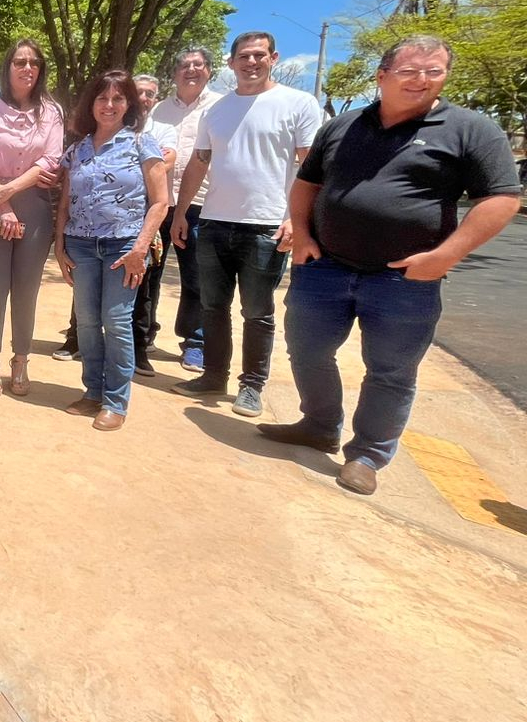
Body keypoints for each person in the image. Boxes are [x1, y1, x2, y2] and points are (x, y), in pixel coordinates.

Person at [262, 36, 520, 496]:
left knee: (391, 371)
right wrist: (301, 234)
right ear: (382, 76)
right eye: (409, 71)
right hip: (325, 267)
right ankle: (319, 424)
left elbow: (500, 199)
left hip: (404, 279)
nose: (422, 79)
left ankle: (367, 455)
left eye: (434, 71)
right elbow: (307, 185)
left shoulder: (469, 129)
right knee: (306, 350)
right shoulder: (343, 126)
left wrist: (446, 255)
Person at [170, 31, 322, 417]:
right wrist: (180, 213)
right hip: (215, 222)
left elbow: (312, 166)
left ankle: (251, 386)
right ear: (231, 62)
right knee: (213, 304)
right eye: (243, 56)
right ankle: (213, 375)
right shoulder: (216, 111)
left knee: (257, 311)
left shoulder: (298, 104)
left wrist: (296, 220)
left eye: (259, 55)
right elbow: (199, 162)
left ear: (274, 57)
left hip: (266, 225)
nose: (251, 62)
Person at [54, 71, 169, 432]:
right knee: (87, 321)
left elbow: (161, 202)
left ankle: (116, 401)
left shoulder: (141, 143)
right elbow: (64, 203)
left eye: (118, 99)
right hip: (81, 245)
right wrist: (59, 245)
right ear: (92, 104)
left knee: (116, 322)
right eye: (102, 98)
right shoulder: (77, 149)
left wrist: (141, 248)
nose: (109, 105)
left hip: (124, 247)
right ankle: (93, 391)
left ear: (129, 105)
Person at [0, 39, 64, 396]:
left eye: (33, 63)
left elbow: (51, 160)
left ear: (40, 70)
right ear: (7, 68)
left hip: (35, 205)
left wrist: (11, 191)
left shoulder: (52, 112)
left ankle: (20, 358)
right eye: (19, 62)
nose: (26, 68)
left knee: (27, 287)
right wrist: (3, 203)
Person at [150, 47, 220, 372]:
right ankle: (144, 333)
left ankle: (195, 342)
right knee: (148, 272)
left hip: (201, 205)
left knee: (197, 277)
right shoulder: (158, 111)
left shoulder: (221, 108)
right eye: (184, 64)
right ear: (174, 72)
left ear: (209, 70)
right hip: (156, 204)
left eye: (198, 64)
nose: (190, 70)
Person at [129, 74, 179, 377]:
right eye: (139, 92)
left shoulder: (164, 129)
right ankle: (77, 338)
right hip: (110, 215)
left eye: (150, 93)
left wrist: (123, 166)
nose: (144, 98)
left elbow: (166, 162)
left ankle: (138, 348)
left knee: (145, 282)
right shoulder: (113, 122)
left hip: (151, 214)